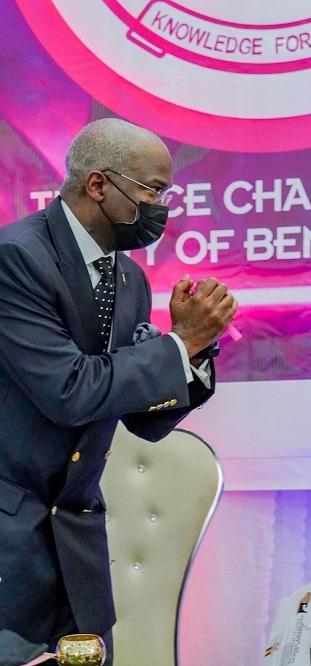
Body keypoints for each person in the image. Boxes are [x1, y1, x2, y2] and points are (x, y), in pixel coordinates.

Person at [0, 118, 237, 665]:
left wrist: (193, 353)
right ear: (99, 185)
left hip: (77, 551)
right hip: (12, 542)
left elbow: (142, 418)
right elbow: (69, 392)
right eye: (153, 190)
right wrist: (178, 344)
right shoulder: (18, 259)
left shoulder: (128, 279)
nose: (162, 206)